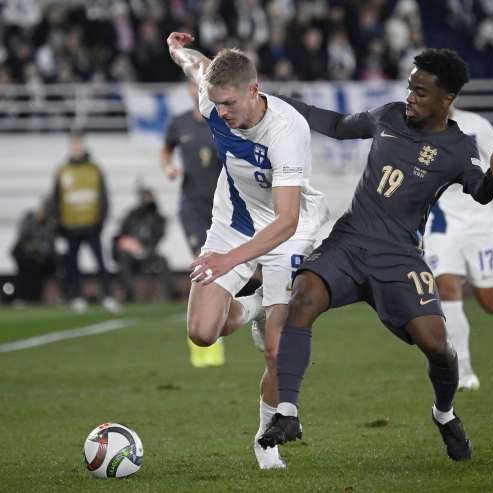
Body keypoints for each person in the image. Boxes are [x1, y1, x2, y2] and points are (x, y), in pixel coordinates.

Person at [257, 48, 493, 462]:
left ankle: (444, 414)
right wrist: (275, 104)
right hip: (351, 240)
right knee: (302, 296)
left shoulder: (457, 146)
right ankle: (287, 413)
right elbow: (339, 125)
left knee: (438, 347)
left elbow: (480, 191)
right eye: (410, 87)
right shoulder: (390, 115)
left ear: (446, 99)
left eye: (420, 91)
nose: (410, 96)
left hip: (399, 258)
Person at [166, 31, 328, 470]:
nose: (220, 113)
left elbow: (287, 219)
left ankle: (265, 440)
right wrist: (178, 49)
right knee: (202, 332)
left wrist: (229, 261)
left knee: (276, 350)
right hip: (233, 222)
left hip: (287, 229)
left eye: (229, 105)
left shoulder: (287, 130)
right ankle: (255, 304)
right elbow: (198, 67)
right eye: (216, 104)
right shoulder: (213, 100)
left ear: (254, 91)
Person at [423, 105, 493, 392]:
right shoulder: (415, 127)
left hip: (477, 222)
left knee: (491, 304)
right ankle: (463, 370)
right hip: (441, 224)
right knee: (446, 288)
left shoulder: (477, 125)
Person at [161, 81, 229, 368]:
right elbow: (166, 150)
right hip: (191, 207)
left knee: (220, 270)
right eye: (193, 85)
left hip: (222, 209)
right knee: (202, 268)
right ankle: (206, 343)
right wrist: (168, 167)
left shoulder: (223, 122)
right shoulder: (178, 123)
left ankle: (215, 328)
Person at [51, 130, 120, 314]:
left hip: (92, 226)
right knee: (72, 264)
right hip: (69, 228)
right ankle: (76, 297)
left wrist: (101, 221)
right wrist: (58, 227)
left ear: (84, 145)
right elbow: (55, 200)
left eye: (79, 144)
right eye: (74, 144)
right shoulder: (62, 171)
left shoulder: (94, 169)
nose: (77, 147)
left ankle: (107, 296)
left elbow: (104, 197)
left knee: (100, 263)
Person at [112, 187, 177, 303]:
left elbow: (158, 235)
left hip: (148, 252)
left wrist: (145, 248)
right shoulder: (132, 215)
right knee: (124, 261)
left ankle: (171, 294)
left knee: (163, 261)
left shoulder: (157, 218)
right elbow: (120, 236)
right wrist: (130, 245)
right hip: (130, 252)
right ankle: (131, 292)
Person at [10, 198, 57, 304]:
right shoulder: (28, 219)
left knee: (48, 268)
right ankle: (22, 297)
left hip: (41, 257)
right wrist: (35, 248)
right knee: (25, 272)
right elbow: (23, 239)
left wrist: (41, 252)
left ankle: (42, 298)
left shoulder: (49, 223)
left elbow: (50, 243)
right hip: (24, 255)